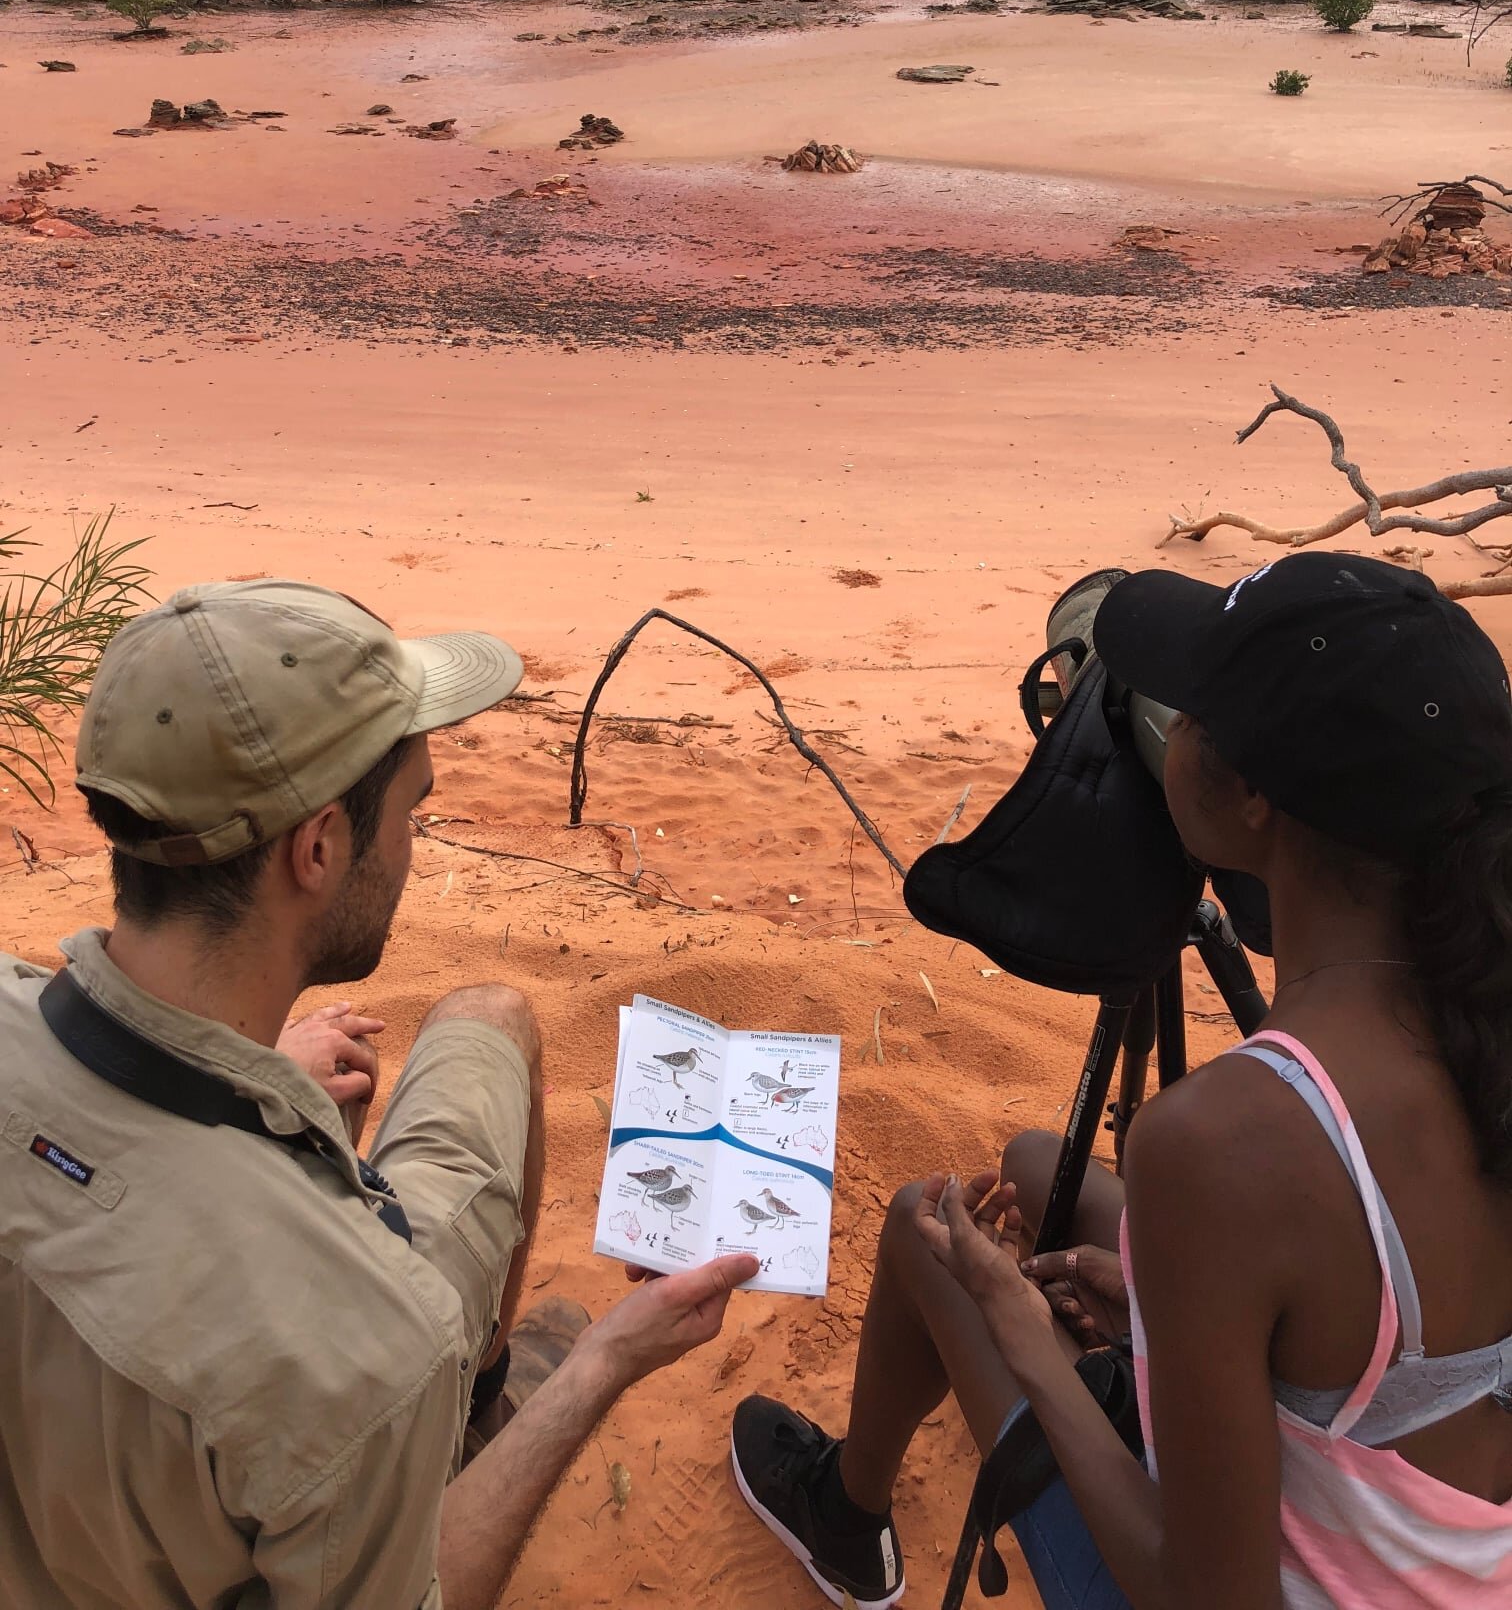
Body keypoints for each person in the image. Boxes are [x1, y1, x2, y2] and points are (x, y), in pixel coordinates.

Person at [732, 553, 1512, 1608]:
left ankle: (843, 1517)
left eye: (1188, 710)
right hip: (1449, 1539)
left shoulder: (1225, 1139)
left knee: (927, 1235)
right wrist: (1166, 1310)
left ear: (1248, 799)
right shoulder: (1476, 1012)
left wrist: (1024, 1333)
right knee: (1039, 1167)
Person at [0, 578, 757, 1608]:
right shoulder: (364, 1350)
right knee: (488, 1017)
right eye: (413, 811)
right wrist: (604, 1364)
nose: (409, 848)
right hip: (331, 1368)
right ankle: (474, 1414)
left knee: (486, 1023)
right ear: (317, 848)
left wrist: (256, 1067)